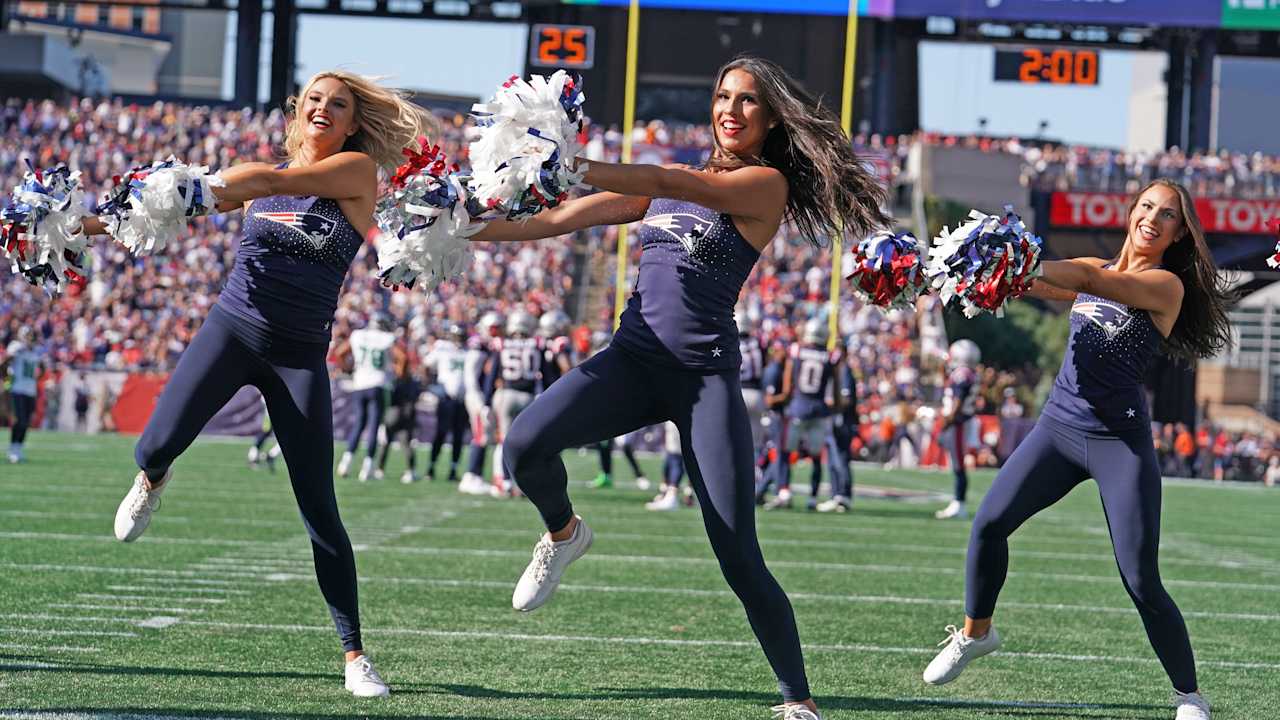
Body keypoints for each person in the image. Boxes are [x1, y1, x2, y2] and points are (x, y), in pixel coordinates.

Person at [482, 55, 890, 720]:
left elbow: (665, 177)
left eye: (747, 100)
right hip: (632, 364)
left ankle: (799, 701)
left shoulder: (762, 186)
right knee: (523, 447)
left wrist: (569, 159)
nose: (731, 109)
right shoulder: (675, 187)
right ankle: (563, 534)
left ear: (770, 119)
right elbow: (554, 221)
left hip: (704, 384)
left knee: (738, 556)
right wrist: (454, 224)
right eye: (723, 96)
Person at [97, 70, 434, 698]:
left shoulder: (355, 172)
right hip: (230, 331)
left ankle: (355, 656)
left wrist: (219, 182)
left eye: (338, 105)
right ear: (298, 110)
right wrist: (72, 227)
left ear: (353, 123)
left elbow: (268, 184)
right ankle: (153, 479)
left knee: (319, 508)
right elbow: (169, 207)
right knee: (153, 446)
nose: (324, 109)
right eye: (315, 100)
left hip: (298, 357)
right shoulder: (259, 178)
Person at [922, 179, 1231, 720]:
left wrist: (1020, 255)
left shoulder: (1165, 287)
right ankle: (976, 634)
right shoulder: (1096, 266)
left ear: (1180, 233)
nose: (1153, 219)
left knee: (1140, 578)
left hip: (1119, 443)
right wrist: (961, 268)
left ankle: (1189, 696)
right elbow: (1035, 285)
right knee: (988, 524)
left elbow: (1089, 280)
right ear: (1131, 212)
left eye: (1167, 215)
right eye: (1146, 207)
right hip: (1057, 430)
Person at [765, 318, 842, 512]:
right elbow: (835, 389)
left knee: (785, 452)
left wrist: (785, 399)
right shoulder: (831, 356)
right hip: (819, 410)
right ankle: (813, 498)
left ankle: (784, 492)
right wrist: (835, 407)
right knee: (816, 457)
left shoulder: (797, 350)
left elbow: (787, 387)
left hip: (798, 409)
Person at [335, 312, 401, 482]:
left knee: (359, 425)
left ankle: (345, 463)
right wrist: (398, 374)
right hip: (378, 384)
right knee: (373, 427)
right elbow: (402, 357)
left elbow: (339, 353)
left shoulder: (358, 335)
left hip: (359, 383)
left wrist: (348, 369)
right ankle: (367, 468)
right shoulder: (388, 338)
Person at [934, 339, 980, 520]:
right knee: (955, 462)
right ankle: (958, 502)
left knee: (959, 465)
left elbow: (958, 400)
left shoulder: (962, 374)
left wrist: (949, 419)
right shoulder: (968, 373)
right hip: (958, 422)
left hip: (958, 423)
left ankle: (959, 503)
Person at [458, 311, 501, 495]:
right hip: (476, 397)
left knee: (483, 436)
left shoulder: (488, 345)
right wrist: (480, 401)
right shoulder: (479, 345)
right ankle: (472, 475)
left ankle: (475, 476)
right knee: (480, 437)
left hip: (480, 397)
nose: (496, 331)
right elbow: (471, 376)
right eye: (493, 328)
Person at [422, 322, 468, 482]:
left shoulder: (468, 352)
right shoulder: (443, 349)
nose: (459, 340)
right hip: (446, 398)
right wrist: (429, 385)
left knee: (458, 436)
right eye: (457, 336)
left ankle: (453, 470)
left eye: (461, 337)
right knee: (440, 433)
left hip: (463, 400)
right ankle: (431, 467)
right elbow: (426, 364)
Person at [377, 351, 423, 483]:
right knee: (406, 444)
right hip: (406, 414)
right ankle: (411, 471)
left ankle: (380, 470)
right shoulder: (412, 382)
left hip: (394, 414)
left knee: (386, 443)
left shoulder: (393, 380)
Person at [5, 327, 43, 463]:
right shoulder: (16, 346)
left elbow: (42, 367)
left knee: (26, 422)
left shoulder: (36, 350)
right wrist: (7, 379)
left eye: (31, 335)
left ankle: (19, 448)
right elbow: (5, 362)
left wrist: (37, 377)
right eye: (28, 335)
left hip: (30, 390)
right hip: (18, 389)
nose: (30, 338)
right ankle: (12, 448)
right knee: (20, 420)